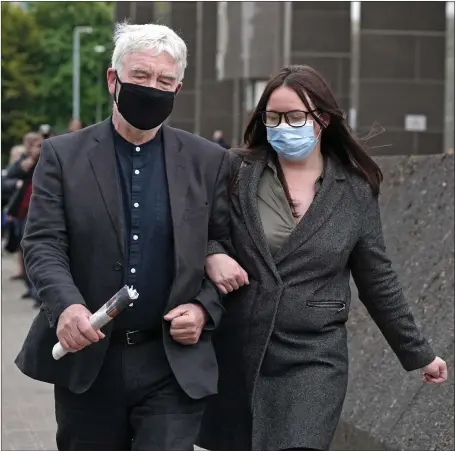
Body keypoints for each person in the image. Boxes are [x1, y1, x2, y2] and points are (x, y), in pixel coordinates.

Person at [197, 65, 448, 451]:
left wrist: (418, 352)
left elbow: (377, 279)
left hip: (312, 358)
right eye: (273, 116)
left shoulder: (355, 190)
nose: (283, 126)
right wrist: (214, 254)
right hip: (238, 350)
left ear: (323, 120)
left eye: (295, 116)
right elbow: (199, 230)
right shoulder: (237, 171)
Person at [15, 22, 230, 451]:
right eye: (141, 76)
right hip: (91, 362)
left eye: (164, 81)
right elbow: (43, 242)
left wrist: (205, 309)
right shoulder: (63, 155)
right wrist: (66, 307)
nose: (153, 88)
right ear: (113, 79)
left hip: (171, 362)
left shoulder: (209, 161)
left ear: (178, 87)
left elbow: (223, 247)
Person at [3, 133, 42, 300]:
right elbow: (8, 178)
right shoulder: (26, 162)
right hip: (22, 213)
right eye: (34, 145)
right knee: (25, 250)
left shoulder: (51, 160)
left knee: (36, 252)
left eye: (39, 144)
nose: (38, 148)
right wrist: (26, 163)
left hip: (39, 212)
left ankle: (37, 293)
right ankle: (31, 288)